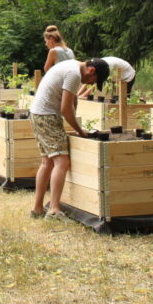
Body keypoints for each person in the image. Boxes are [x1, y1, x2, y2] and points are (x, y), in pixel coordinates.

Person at [30, 58, 109, 219]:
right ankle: (53, 210)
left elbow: (72, 100)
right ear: (91, 71)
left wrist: (77, 120)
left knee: (47, 162)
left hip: (37, 114)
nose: (91, 83)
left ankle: (37, 208)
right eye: (94, 80)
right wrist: (80, 131)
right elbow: (65, 109)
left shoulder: (72, 66)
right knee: (62, 162)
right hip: (47, 117)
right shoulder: (74, 74)